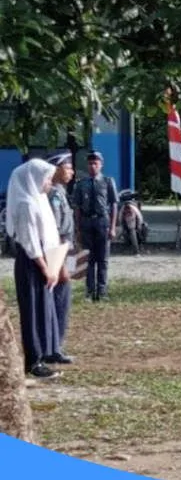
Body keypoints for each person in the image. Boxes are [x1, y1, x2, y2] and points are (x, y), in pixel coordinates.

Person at [7, 159, 63, 378]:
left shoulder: (37, 200)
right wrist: (46, 268)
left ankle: (41, 355)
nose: (49, 183)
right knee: (32, 309)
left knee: (41, 307)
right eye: (47, 178)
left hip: (41, 258)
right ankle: (33, 360)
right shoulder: (26, 204)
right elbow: (30, 242)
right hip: (32, 261)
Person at [70, 149, 118, 302]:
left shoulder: (107, 182)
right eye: (90, 163)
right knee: (88, 259)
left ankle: (102, 291)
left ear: (101, 165)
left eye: (95, 163)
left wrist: (112, 227)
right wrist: (77, 228)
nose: (92, 166)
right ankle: (90, 292)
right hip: (86, 223)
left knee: (103, 259)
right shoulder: (80, 184)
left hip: (102, 222)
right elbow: (76, 207)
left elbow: (114, 204)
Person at [46, 150, 76, 365]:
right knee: (60, 295)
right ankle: (54, 346)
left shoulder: (60, 192)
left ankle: (55, 344)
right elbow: (55, 229)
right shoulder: (54, 194)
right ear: (56, 170)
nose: (72, 172)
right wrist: (60, 262)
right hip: (57, 250)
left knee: (62, 294)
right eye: (68, 167)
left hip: (64, 247)